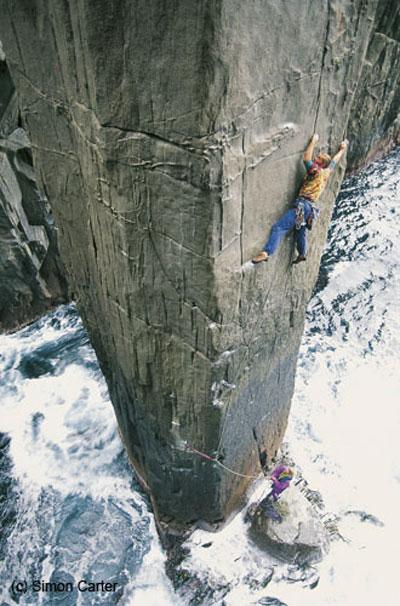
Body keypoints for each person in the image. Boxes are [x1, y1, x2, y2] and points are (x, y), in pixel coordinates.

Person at [252, 134, 348, 265]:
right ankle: (302, 253)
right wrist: (342, 149)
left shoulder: (316, 171)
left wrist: (313, 141)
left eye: (319, 158)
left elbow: (306, 159)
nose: (316, 158)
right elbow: (334, 163)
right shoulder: (326, 174)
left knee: (278, 228)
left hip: (302, 207)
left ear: (321, 163)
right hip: (309, 210)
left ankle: (266, 252)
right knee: (299, 232)